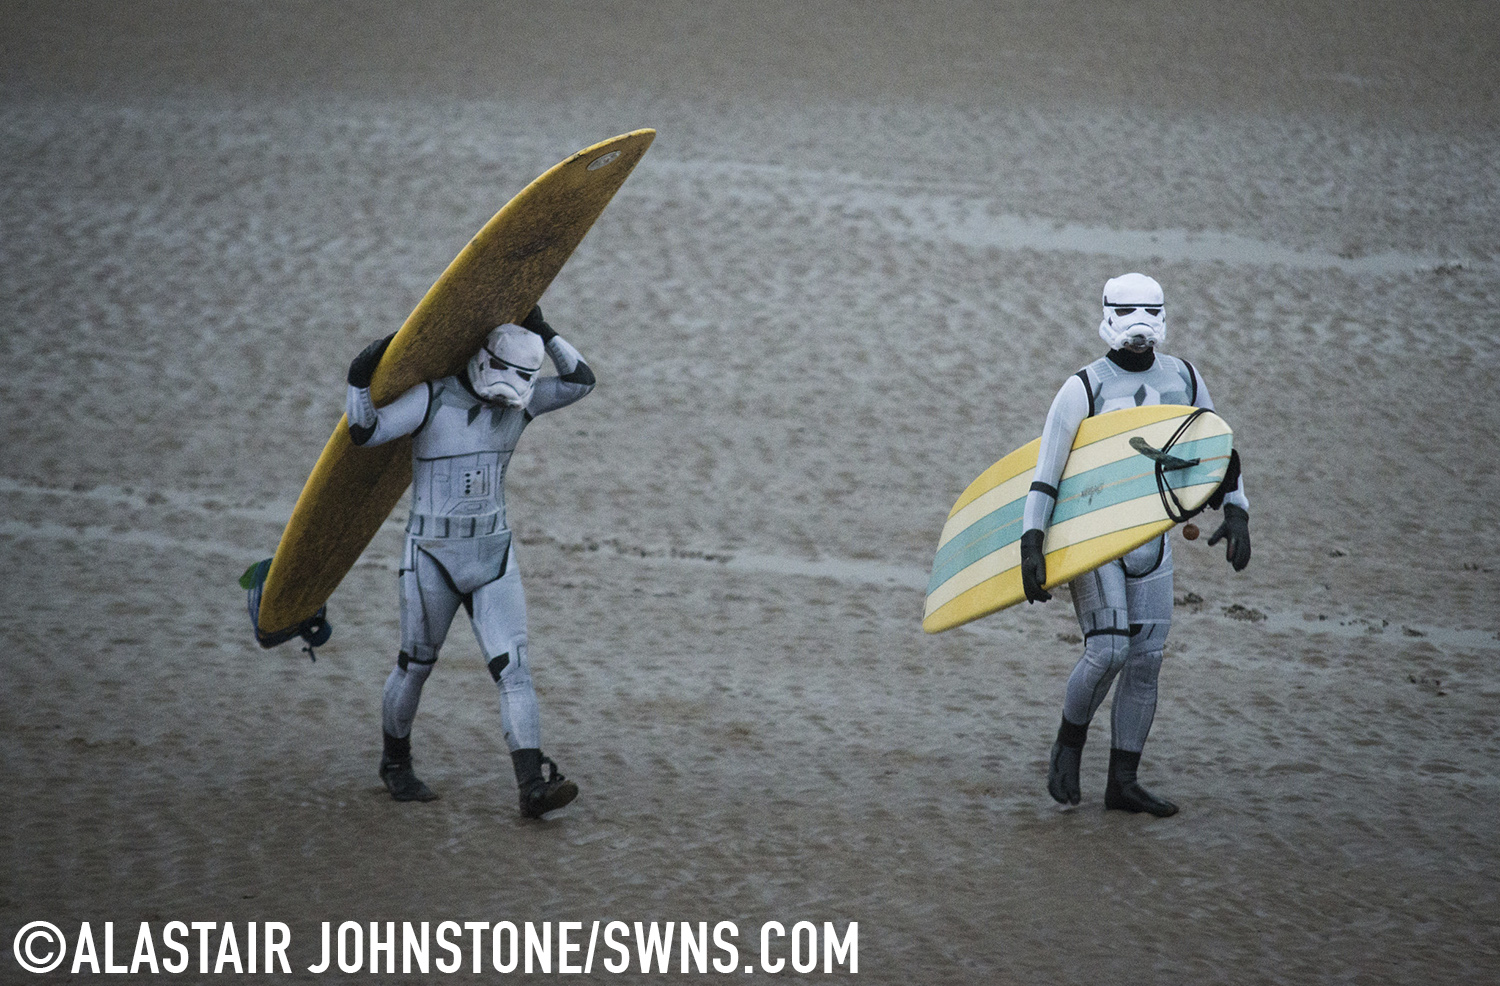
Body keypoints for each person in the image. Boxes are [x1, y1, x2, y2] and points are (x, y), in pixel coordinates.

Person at [344, 305, 594, 818]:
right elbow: (365, 433)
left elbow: (580, 380)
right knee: (415, 666)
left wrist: (543, 332)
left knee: (515, 670)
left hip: (493, 555)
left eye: (525, 379)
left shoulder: (521, 406)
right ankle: (395, 765)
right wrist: (360, 375)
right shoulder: (431, 399)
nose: (513, 387)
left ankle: (532, 786)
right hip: (431, 556)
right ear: (484, 361)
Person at [1020, 273, 1251, 817]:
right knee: (1109, 650)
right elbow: (1046, 472)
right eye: (1129, 313)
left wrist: (1237, 508)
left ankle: (1123, 783)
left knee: (1146, 660)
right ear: (1108, 314)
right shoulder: (1083, 387)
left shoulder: (1185, 377)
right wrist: (1032, 541)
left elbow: (1219, 448)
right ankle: (1068, 745)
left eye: (1150, 312)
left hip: (1153, 536)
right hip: (1093, 537)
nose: (1141, 326)